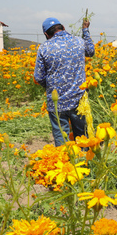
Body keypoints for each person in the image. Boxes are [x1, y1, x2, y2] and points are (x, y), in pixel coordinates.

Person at [34, 17, 95, 146]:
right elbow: (91, 51)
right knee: (83, 139)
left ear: (46, 34)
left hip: (57, 103)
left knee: (62, 141)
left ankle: (65, 163)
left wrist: (51, 86)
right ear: (63, 27)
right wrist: (85, 30)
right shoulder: (79, 42)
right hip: (78, 100)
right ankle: (84, 163)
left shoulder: (44, 48)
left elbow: (38, 77)